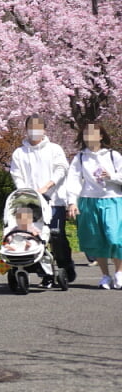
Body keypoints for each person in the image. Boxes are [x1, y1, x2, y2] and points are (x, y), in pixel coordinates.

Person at [9, 114, 75, 283]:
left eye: (38, 127)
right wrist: (24, 192)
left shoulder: (54, 149)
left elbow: (61, 169)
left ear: (44, 129)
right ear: (26, 129)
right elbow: (16, 174)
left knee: (56, 235)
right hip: (29, 203)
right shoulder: (19, 153)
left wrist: (47, 186)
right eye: (31, 127)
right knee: (34, 236)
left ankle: (65, 265)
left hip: (54, 201)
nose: (35, 131)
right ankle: (45, 273)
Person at [65, 122, 122, 290]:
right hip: (89, 200)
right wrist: (72, 202)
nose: (89, 136)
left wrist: (111, 176)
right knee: (96, 239)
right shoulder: (80, 157)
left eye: (92, 133)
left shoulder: (113, 155)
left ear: (101, 136)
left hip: (112, 199)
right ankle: (105, 275)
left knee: (115, 237)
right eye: (85, 134)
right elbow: (73, 180)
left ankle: (119, 272)